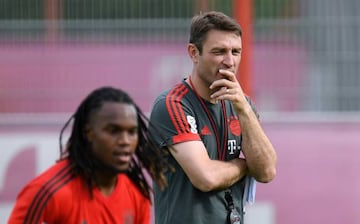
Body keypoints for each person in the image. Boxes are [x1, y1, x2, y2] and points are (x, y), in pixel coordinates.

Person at [149, 11, 277, 224]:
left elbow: (266, 171)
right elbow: (205, 177)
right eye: (219, 52)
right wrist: (243, 166)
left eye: (236, 52)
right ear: (193, 53)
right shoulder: (173, 104)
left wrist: (243, 109)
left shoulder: (242, 105)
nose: (229, 61)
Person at [8, 86, 170, 224]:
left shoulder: (136, 194)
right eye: (113, 131)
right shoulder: (47, 192)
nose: (125, 141)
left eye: (132, 132)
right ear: (88, 133)